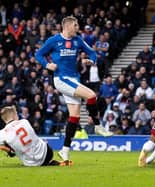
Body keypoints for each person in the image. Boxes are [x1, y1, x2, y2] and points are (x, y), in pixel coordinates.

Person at [35, 16, 113, 162]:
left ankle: (65, 150)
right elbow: (38, 54)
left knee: (75, 117)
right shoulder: (54, 40)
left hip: (74, 79)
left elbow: (92, 52)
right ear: (68, 26)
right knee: (91, 95)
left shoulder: (77, 40)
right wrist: (47, 65)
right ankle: (97, 126)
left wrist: (92, 60)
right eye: (75, 25)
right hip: (61, 79)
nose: (78, 28)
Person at [0, 103, 67, 166]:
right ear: (13, 115)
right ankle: (50, 162)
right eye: (16, 113)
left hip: (31, 163)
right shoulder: (25, 121)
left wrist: (8, 150)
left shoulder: (2, 133)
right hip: (47, 153)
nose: (17, 115)